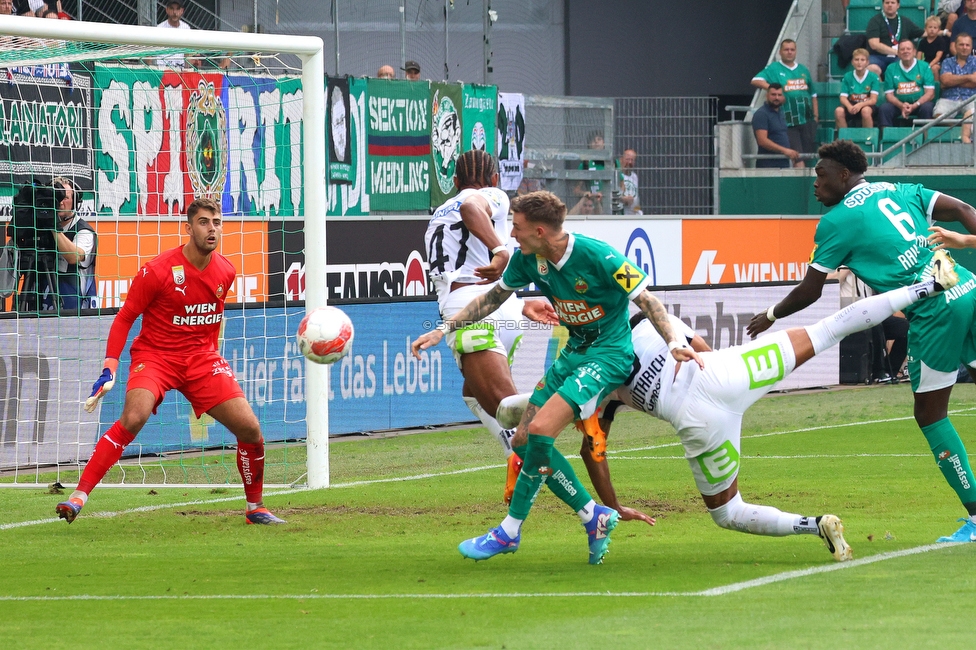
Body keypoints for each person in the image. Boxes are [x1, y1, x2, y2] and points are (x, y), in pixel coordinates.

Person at [511, 270, 958, 562]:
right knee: (830, 328)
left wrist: (612, 505)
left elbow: (594, 450)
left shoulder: (596, 373)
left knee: (728, 514)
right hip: (728, 373)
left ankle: (814, 525)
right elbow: (701, 347)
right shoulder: (646, 320)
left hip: (699, 421)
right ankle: (926, 286)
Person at [412, 190, 702, 564]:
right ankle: (592, 516)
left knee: (540, 431)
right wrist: (442, 329)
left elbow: (648, 301)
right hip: (575, 354)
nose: (510, 235)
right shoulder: (527, 258)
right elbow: (492, 299)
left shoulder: (599, 255)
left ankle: (508, 532)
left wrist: (675, 341)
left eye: (515, 228)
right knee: (520, 440)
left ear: (539, 231)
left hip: (609, 355)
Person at [746, 139, 976, 544]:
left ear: (844, 175)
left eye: (820, 175)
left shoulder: (836, 222)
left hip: (935, 310)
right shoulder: (896, 189)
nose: (814, 183)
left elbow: (810, 291)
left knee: (931, 414)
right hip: (968, 287)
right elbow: (963, 211)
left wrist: (770, 315)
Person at [56, 198, 286, 526]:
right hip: (156, 357)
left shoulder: (226, 271)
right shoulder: (157, 271)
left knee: (250, 429)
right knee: (133, 418)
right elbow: (125, 318)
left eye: (217, 222)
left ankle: (255, 508)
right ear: (188, 227)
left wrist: (209, 359)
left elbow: (211, 319)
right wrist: (109, 366)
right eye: (205, 222)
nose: (212, 229)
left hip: (201, 360)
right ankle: (78, 496)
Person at [424, 150, 524, 456]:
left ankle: (567, 401)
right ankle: (515, 456)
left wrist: (500, 250)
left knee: (518, 418)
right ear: (494, 178)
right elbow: (472, 207)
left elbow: (470, 205)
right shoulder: (494, 194)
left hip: (468, 309)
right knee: (475, 394)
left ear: (455, 181)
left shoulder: (442, 210)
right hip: (500, 303)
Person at [751, 39, 818, 168]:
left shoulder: (803, 69)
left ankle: (809, 185)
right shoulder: (774, 68)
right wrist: (774, 89)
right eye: (786, 49)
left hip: (806, 120)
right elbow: (755, 80)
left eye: (792, 50)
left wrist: (815, 115)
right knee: (798, 157)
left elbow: (813, 94)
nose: (789, 52)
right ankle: (802, 186)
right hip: (788, 120)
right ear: (780, 52)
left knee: (808, 157)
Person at [51, 176, 96, 309]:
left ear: (75, 201)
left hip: (75, 306)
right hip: (45, 300)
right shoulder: (39, 227)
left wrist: (53, 226)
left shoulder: (84, 231)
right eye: (56, 196)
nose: (60, 202)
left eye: (65, 197)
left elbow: (74, 256)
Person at [879, 39, 936, 128]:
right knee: (884, 108)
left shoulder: (924, 66)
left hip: (919, 104)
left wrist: (915, 105)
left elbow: (930, 93)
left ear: (914, 52)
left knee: (927, 107)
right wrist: (901, 106)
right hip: (898, 104)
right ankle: (887, 140)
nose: (905, 51)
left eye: (908, 49)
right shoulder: (891, 68)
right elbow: (889, 95)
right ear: (898, 53)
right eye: (902, 49)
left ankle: (926, 139)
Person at [865, 0, 924, 77]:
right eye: (887, 3)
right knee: (871, 68)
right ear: (883, 4)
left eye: (892, 3)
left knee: (906, 64)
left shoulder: (905, 21)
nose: (890, 5)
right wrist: (897, 52)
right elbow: (874, 44)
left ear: (898, 5)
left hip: (898, 57)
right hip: (878, 57)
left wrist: (943, 32)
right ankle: (881, 88)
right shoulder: (875, 21)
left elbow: (925, 33)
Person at [936, 32, 976, 144]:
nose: (964, 47)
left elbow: (975, 82)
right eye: (961, 44)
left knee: (974, 116)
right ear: (955, 46)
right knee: (938, 115)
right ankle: (961, 127)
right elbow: (945, 81)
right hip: (949, 98)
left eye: (967, 45)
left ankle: (964, 134)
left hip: (971, 98)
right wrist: (969, 77)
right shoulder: (947, 62)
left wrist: (953, 81)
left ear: (971, 47)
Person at [752, 83, 799, 168]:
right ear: (767, 95)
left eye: (779, 95)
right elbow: (762, 141)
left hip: (784, 164)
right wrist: (785, 151)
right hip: (768, 166)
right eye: (773, 94)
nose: (776, 98)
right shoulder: (761, 114)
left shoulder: (781, 113)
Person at [836, 49, 880, 129]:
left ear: (867, 62)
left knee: (865, 111)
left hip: (867, 104)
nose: (859, 62)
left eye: (862, 60)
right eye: (856, 59)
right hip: (852, 104)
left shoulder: (873, 77)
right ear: (852, 62)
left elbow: (873, 100)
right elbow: (843, 98)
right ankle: (844, 139)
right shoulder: (847, 76)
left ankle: (868, 139)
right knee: (839, 111)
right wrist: (849, 106)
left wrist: (860, 105)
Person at [156, 0, 191, 69]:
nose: (175, 12)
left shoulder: (186, 28)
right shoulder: (159, 28)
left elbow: (187, 53)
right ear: (167, 10)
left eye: (177, 9)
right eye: (172, 9)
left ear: (182, 11)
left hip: (180, 69)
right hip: (162, 69)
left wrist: (187, 70)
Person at [918, 15, 951, 81]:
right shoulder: (922, 41)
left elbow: (938, 57)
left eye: (935, 28)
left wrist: (929, 66)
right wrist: (919, 64)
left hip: (939, 62)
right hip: (926, 61)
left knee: (934, 68)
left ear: (938, 30)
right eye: (930, 27)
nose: (932, 30)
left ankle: (936, 86)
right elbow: (919, 55)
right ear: (925, 29)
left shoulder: (941, 41)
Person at [618, 148, 642, 215]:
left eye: (632, 160)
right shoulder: (617, 176)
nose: (630, 162)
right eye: (627, 159)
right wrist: (623, 199)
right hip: (621, 214)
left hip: (634, 215)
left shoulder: (634, 176)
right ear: (621, 159)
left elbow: (636, 199)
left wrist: (637, 210)